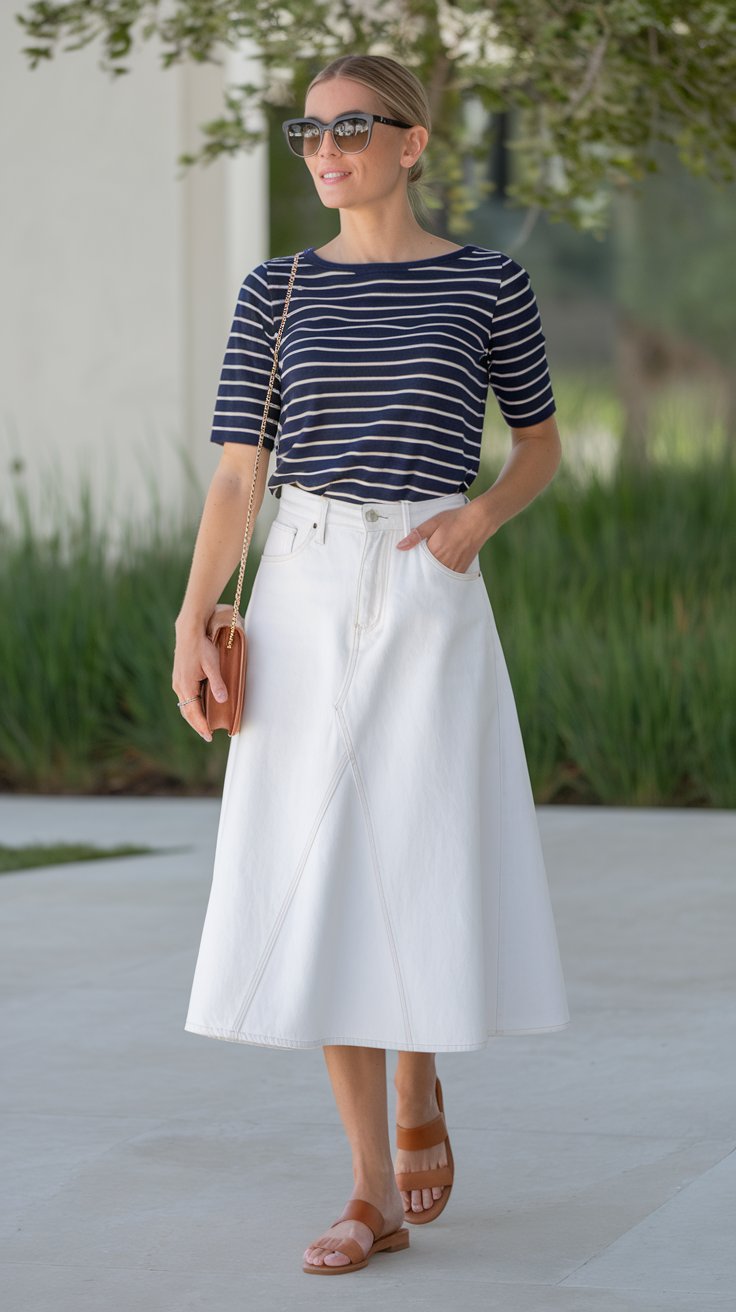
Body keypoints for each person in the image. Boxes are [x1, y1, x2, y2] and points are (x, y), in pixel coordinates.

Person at [172, 53, 570, 1276]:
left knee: (418, 841)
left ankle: (417, 1069)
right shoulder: (276, 288)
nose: (327, 150)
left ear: (412, 142)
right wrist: (193, 619)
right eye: (309, 132)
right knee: (321, 862)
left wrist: (477, 520)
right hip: (300, 579)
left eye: (353, 127)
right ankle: (368, 1191)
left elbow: (540, 444)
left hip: (425, 574)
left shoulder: (488, 283)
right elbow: (238, 474)